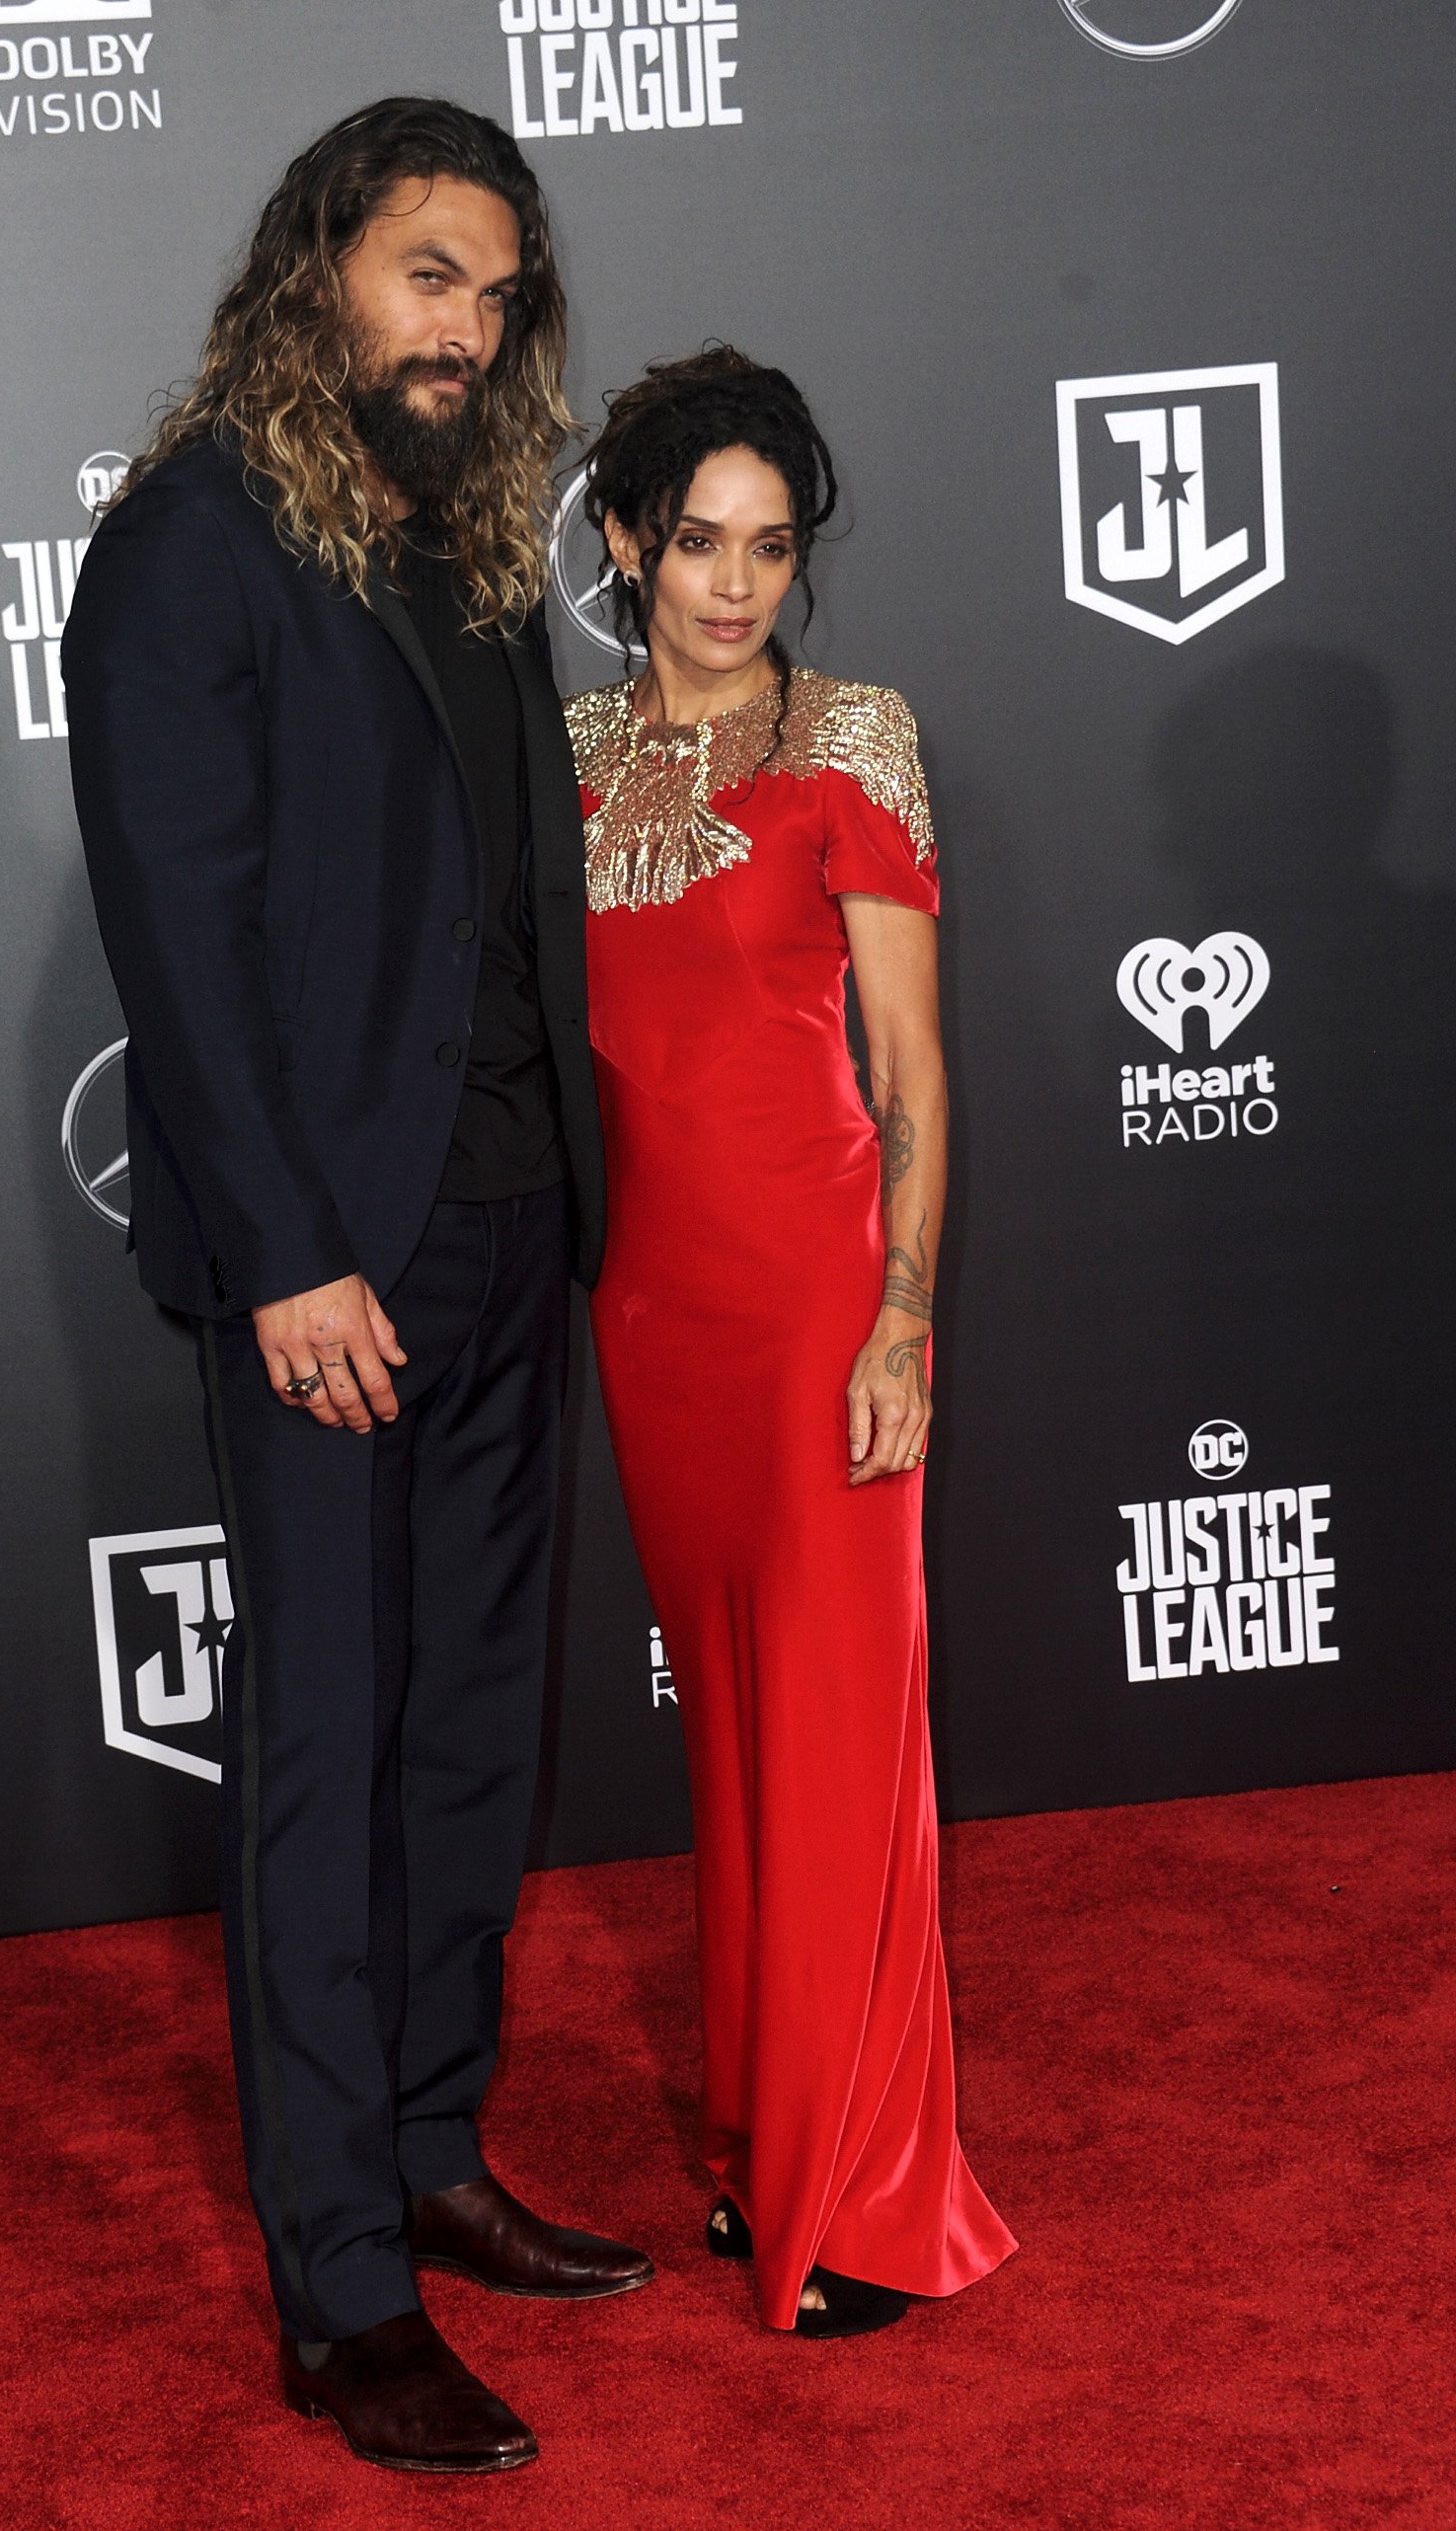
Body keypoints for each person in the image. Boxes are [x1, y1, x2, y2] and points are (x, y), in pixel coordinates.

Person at [62, 99, 651, 2478]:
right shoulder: (195, 543)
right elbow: (178, 937)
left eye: (498, 290)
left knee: (466, 1734)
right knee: (324, 1757)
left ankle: (427, 2141)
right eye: (428, 273)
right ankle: (337, 2284)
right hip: (337, 1258)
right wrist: (292, 1246)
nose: (466, 327)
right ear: (322, 266)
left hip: (513, 1222)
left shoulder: (466, 536)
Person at [565, 348, 1016, 2338]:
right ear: (623, 540)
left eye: (769, 547)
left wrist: (906, 1311)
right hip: (651, 1316)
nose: (733, 584)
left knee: (839, 1747)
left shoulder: (856, 744)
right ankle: (772, 2140)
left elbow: (911, 1069)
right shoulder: (560, 761)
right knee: (738, 1748)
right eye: (696, 543)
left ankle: (871, 2188)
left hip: (829, 1299)